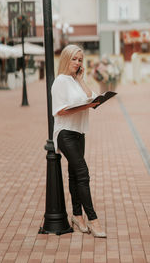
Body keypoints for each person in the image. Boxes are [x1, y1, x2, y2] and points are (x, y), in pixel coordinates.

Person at [51, 44, 107, 238]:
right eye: (74, 59)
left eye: (80, 60)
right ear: (66, 59)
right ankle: (93, 220)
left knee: (75, 175)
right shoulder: (60, 81)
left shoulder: (75, 80)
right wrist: (84, 107)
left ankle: (77, 216)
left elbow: (90, 96)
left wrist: (82, 80)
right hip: (65, 133)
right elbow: (60, 110)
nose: (77, 62)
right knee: (83, 173)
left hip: (78, 132)